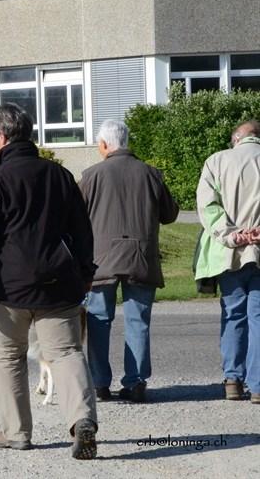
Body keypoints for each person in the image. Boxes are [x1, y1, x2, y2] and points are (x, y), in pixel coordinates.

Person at [0, 103, 98, 459]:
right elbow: (82, 230)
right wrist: (86, 272)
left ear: (2, 137)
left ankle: (17, 432)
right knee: (66, 353)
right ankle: (82, 420)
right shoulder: (60, 175)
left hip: (8, 288)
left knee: (8, 357)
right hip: (59, 283)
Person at [79, 119, 179, 403]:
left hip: (101, 262)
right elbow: (170, 214)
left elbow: (75, 217)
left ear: (104, 144)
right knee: (138, 321)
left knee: (98, 320)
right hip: (141, 258)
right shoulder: (151, 174)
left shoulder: (91, 176)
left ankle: (99, 382)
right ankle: (135, 382)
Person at [195, 119, 260, 403]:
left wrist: (233, 235)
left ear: (236, 138)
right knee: (258, 317)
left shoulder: (217, 161)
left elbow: (208, 206)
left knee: (233, 314)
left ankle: (233, 379)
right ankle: (258, 385)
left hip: (229, 254)